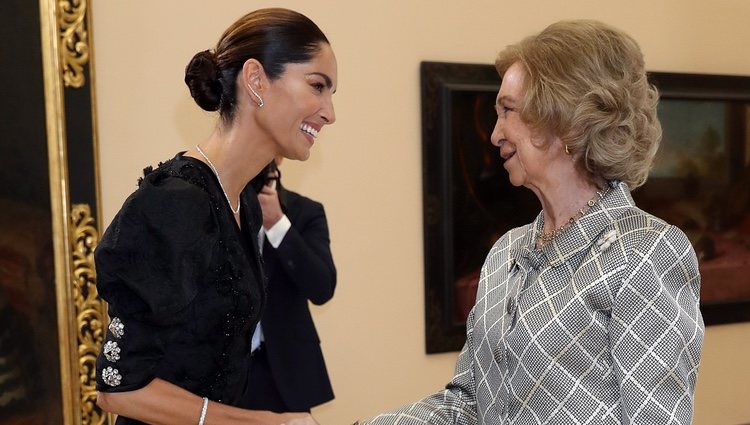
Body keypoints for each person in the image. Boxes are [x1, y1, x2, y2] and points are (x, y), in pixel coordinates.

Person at [362, 20, 703, 425]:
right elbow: (466, 404)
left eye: (508, 111)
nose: (494, 134)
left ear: (565, 119)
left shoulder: (646, 253)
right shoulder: (506, 251)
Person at [93, 8, 336, 425]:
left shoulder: (243, 206)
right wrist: (267, 422)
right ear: (257, 80)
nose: (329, 112)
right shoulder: (173, 202)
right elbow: (119, 390)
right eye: (318, 86)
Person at [240, 157, 336, 412]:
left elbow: (322, 288)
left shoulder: (305, 212)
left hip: (283, 369)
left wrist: (278, 224)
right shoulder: (218, 209)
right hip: (225, 369)